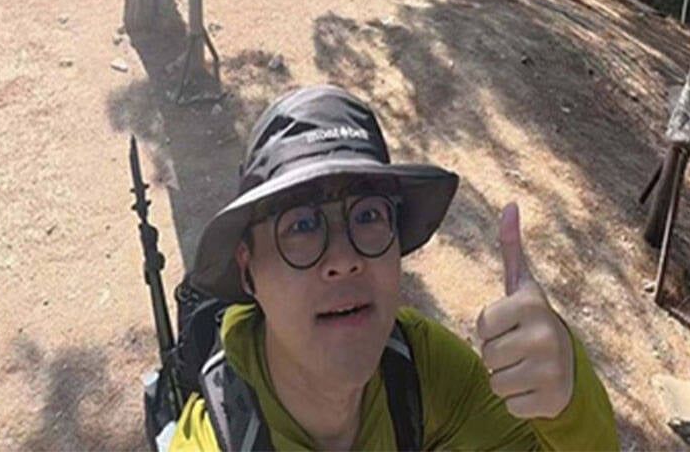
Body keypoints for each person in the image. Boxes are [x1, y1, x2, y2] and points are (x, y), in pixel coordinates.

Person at [170, 85, 618, 450]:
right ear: (248, 271)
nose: (344, 260)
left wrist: (567, 406)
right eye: (301, 225)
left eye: (368, 216)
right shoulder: (213, 442)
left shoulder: (419, 368)